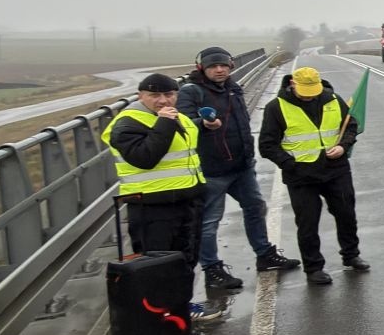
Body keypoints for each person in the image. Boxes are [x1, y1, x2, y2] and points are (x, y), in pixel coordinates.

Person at [177, 47, 298, 290]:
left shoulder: (232, 88)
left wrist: (248, 157)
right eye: (213, 67)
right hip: (211, 169)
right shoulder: (191, 92)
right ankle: (212, 270)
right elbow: (182, 124)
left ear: (231, 66)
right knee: (209, 222)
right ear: (202, 68)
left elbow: (242, 124)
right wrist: (203, 124)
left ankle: (265, 255)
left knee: (255, 208)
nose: (219, 70)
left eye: (223, 65)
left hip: (241, 166)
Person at [257, 67, 366, 285]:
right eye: (305, 91)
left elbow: (350, 126)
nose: (309, 96)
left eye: (313, 91)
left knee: (346, 213)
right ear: (293, 84)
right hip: (301, 176)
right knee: (307, 223)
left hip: (336, 170)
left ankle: (351, 255)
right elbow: (267, 145)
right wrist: (289, 164)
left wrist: (343, 146)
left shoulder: (333, 100)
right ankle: (314, 267)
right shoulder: (276, 107)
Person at [105, 72, 207, 266]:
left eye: (169, 94)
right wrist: (165, 123)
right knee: (157, 267)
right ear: (140, 96)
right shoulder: (127, 123)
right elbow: (144, 158)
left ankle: (183, 287)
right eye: (155, 95)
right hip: (152, 207)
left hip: (186, 201)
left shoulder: (179, 117)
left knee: (186, 260)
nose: (163, 100)